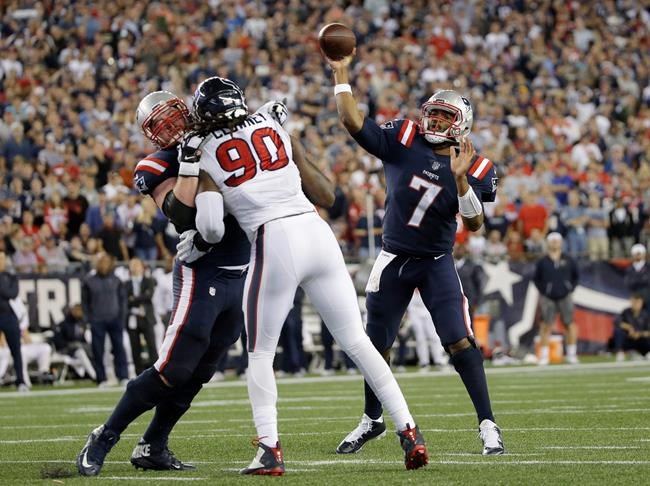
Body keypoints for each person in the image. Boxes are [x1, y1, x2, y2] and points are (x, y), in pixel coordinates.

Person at [77, 89, 334, 477]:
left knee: (200, 373)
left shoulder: (220, 138)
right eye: (162, 127)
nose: (175, 129)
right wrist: (189, 162)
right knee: (171, 370)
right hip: (203, 274)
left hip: (244, 270)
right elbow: (180, 214)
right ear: (153, 135)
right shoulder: (156, 164)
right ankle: (104, 435)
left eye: (176, 118)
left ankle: (153, 444)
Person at [186, 76, 428, 475]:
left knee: (261, 352)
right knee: (357, 342)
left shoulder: (205, 150)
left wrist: (200, 231)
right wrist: (286, 135)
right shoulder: (272, 125)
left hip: (273, 237)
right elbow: (328, 196)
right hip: (316, 231)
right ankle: (409, 430)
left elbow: (211, 228)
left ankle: (268, 448)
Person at [325, 51, 504, 455]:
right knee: (374, 344)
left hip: (436, 261)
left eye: (445, 118)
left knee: (459, 340)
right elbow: (354, 121)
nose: (435, 122)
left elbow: (475, 226)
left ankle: (488, 423)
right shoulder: (404, 138)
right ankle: (372, 419)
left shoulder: (476, 167)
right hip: (393, 258)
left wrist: (460, 183)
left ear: (461, 126)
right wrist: (341, 75)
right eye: (433, 114)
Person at [81, 252, 129, 386]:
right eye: (101, 262)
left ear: (110, 264)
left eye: (106, 262)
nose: (103, 265)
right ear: (97, 264)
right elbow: (84, 303)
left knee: (119, 348)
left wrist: (122, 317)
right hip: (97, 320)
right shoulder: (89, 281)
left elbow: (122, 300)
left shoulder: (116, 280)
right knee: (98, 350)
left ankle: (123, 376)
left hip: (115, 319)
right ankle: (101, 378)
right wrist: (88, 319)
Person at [533, 232, 580, 365]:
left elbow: (576, 276)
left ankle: (571, 354)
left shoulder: (568, 259)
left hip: (565, 296)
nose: (554, 242)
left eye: (556, 240)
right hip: (548, 297)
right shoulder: (543, 261)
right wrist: (545, 290)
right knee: (545, 326)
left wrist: (570, 288)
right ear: (548, 242)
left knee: (569, 324)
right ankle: (544, 356)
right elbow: (536, 279)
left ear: (561, 242)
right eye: (552, 240)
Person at [0, 250, 28, 391]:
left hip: (8, 316)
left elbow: (12, 293)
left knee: (16, 350)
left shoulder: (10, 276)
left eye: (2, 259)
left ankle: (21, 381)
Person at [125, 258, 158, 375]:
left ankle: (155, 372)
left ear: (142, 267)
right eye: (132, 265)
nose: (134, 267)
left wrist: (134, 298)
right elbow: (126, 301)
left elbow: (149, 296)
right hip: (133, 318)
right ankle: (138, 373)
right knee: (135, 347)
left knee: (152, 346)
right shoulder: (126, 284)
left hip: (146, 317)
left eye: (136, 265)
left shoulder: (149, 280)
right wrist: (140, 297)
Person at [613, 294, 650, 361]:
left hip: (641, 341)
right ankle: (620, 353)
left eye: (638, 302)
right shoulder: (626, 312)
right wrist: (629, 327)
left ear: (641, 303)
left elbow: (648, 332)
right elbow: (617, 322)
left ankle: (647, 353)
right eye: (634, 302)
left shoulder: (645, 315)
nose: (636, 305)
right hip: (628, 339)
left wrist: (639, 334)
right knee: (618, 331)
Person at [624, 244, 650, 308]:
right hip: (635, 300)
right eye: (636, 254)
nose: (638, 256)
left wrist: (637, 280)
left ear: (644, 254)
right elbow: (628, 283)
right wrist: (643, 279)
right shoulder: (629, 269)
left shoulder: (648, 267)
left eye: (639, 253)